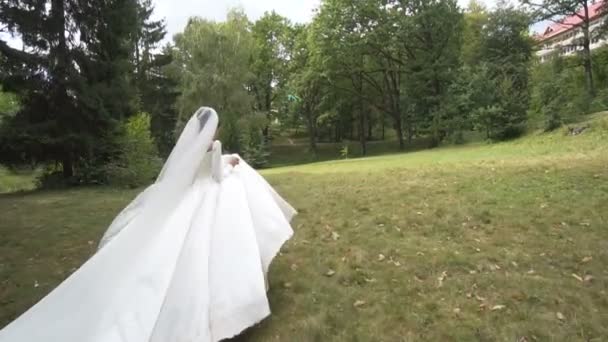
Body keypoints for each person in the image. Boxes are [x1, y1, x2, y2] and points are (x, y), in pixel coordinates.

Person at [0, 107, 296, 342]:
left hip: (189, 198)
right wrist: (232, 165)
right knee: (209, 249)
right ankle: (220, 309)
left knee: (173, 249)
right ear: (212, 129)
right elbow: (217, 175)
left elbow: (189, 175)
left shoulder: (191, 150)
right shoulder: (215, 146)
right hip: (208, 196)